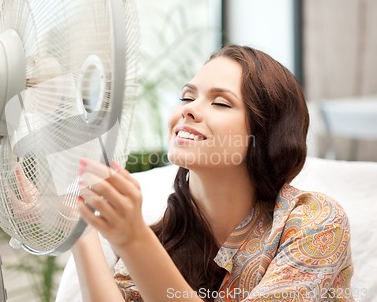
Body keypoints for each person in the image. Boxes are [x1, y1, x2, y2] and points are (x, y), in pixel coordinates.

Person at [71, 45, 354, 302]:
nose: (189, 110)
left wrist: (133, 240)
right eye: (186, 97)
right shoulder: (163, 242)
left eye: (220, 103)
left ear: (267, 134)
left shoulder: (316, 221)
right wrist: (77, 226)